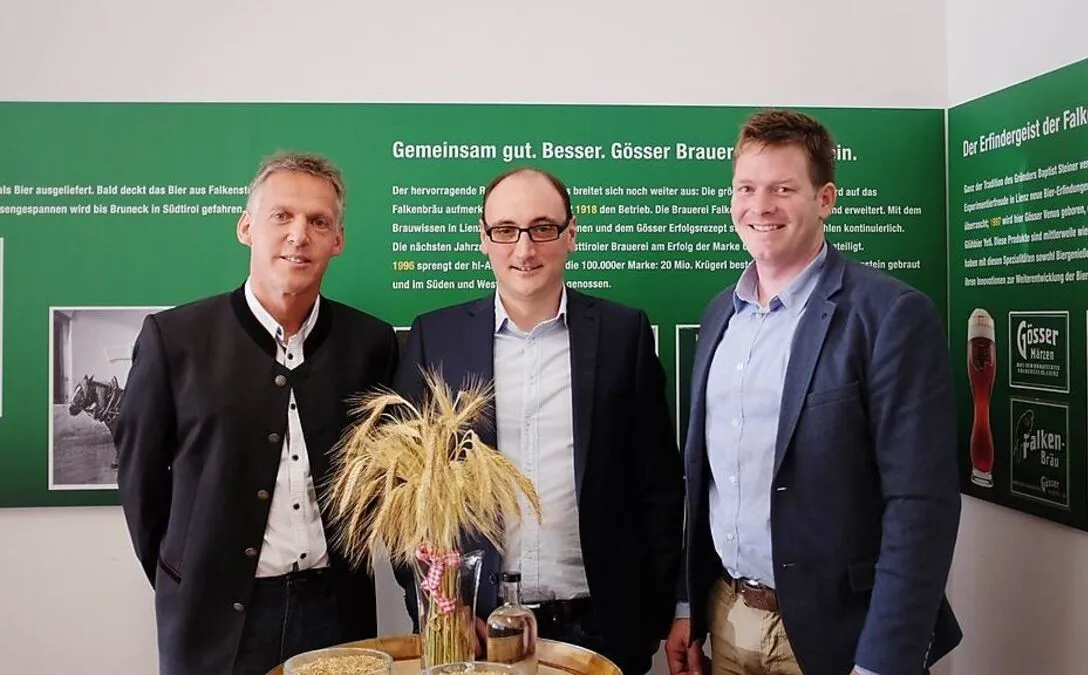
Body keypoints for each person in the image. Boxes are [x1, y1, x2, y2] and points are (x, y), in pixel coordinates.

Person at [664, 109, 963, 675]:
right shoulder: (720, 316)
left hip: (838, 637)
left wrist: (882, 663)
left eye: (783, 189)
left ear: (825, 199)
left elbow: (921, 505)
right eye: (746, 188)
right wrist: (687, 604)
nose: (760, 206)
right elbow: (707, 483)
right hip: (728, 617)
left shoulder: (890, 315)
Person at [115, 151, 399, 675]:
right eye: (281, 216)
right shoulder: (174, 340)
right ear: (246, 227)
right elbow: (141, 483)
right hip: (214, 623)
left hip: (336, 614)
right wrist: (184, 578)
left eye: (318, 222)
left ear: (338, 240)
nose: (299, 235)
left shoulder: (370, 343)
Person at [393, 166, 684, 675]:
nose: (524, 249)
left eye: (543, 228)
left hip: (601, 628)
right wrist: (443, 605)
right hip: (475, 629)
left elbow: (658, 487)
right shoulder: (435, 338)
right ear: (484, 239)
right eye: (506, 230)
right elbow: (400, 494)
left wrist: (653, 613)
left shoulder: (624, 335)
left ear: (571, 234)